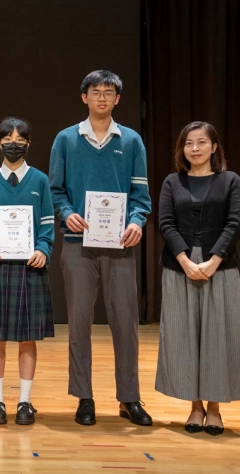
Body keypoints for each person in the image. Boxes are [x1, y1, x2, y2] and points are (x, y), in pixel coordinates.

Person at [49, 70, 153, 426]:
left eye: (109, 92)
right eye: (96, 92)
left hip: (120, 244)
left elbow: (141, 195)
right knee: (79, 323)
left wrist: (136, 221)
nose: (102, 98)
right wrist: (67, 213)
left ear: (118, 98)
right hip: (77, 245)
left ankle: (129, 398)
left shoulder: (132, 140)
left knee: (126, 323)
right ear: (84, 97)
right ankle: (84, 397)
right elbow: (56, 190)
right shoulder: (66, 139)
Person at [155, 121, 240, 436]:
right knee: (183, 335)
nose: (194, 148)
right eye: (188, 143)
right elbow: (165, 222)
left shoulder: (230, 180)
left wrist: (214, 260)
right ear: (181, 149)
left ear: (214, 147)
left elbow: (235, 222)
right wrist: (184, 259)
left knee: (218, 336)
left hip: (219, 265)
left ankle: (214, 409)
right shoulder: (172, 181)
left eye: (201, 142)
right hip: (179, 265)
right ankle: (195, 407)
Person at [0, 117, 54, 426]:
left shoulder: (40, 181)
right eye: (7, 140)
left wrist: (43, 249)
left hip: (30, 268)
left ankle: (24, 401)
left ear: (28, 144)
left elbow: (47, 223)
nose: (13, 144)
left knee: (28, 339)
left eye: (19, 140)